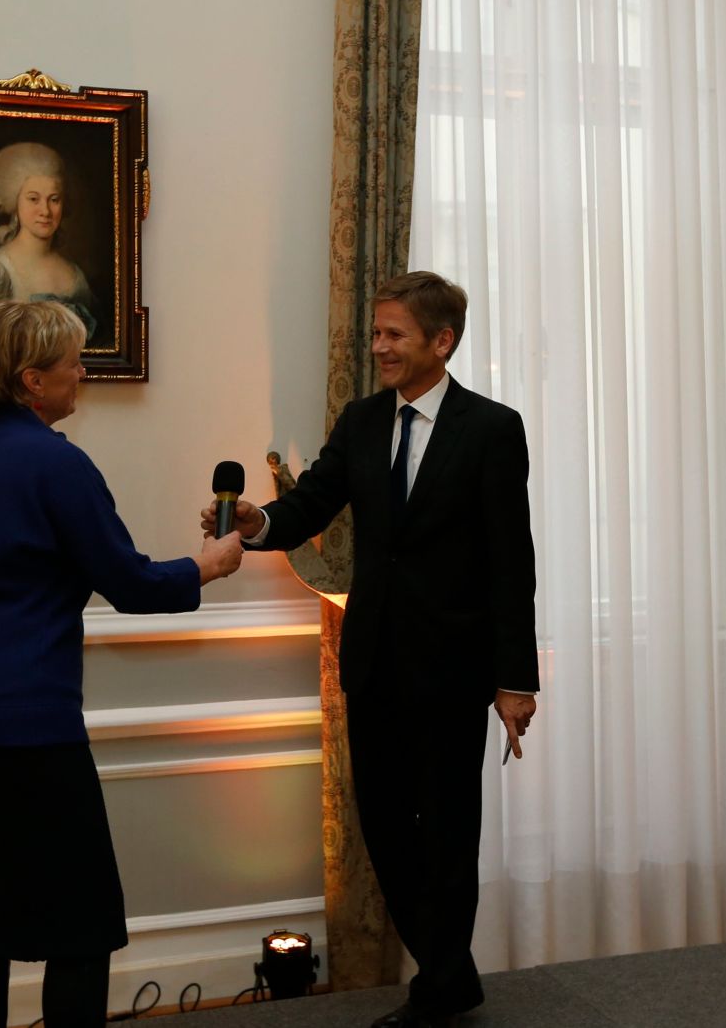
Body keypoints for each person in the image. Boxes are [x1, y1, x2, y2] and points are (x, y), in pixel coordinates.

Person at [203, 271, 538, 1028]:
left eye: (394, 334)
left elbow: (511, 560)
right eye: (376, 332)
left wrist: (514, 679)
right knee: (385, 829)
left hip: (453, 671)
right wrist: (258, 521)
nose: (379, 346)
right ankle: (452, 976)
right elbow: (309, 504)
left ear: (441, 341)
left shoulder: (492, 428)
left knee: (447, 835)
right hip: (374, 661)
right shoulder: (360, 421)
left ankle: (440, 987)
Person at [0, 298, 244, 1027]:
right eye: (72, 362)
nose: (82, 374)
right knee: (81, 927)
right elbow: (129, 582)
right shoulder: (57, 463)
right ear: (33, 381)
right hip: (30, 726)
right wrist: (208, 564)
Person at [0, 142, 98, 347]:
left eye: (54, 199)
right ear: (15, 202)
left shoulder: (75, 276)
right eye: (33, 199)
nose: (45, 211)